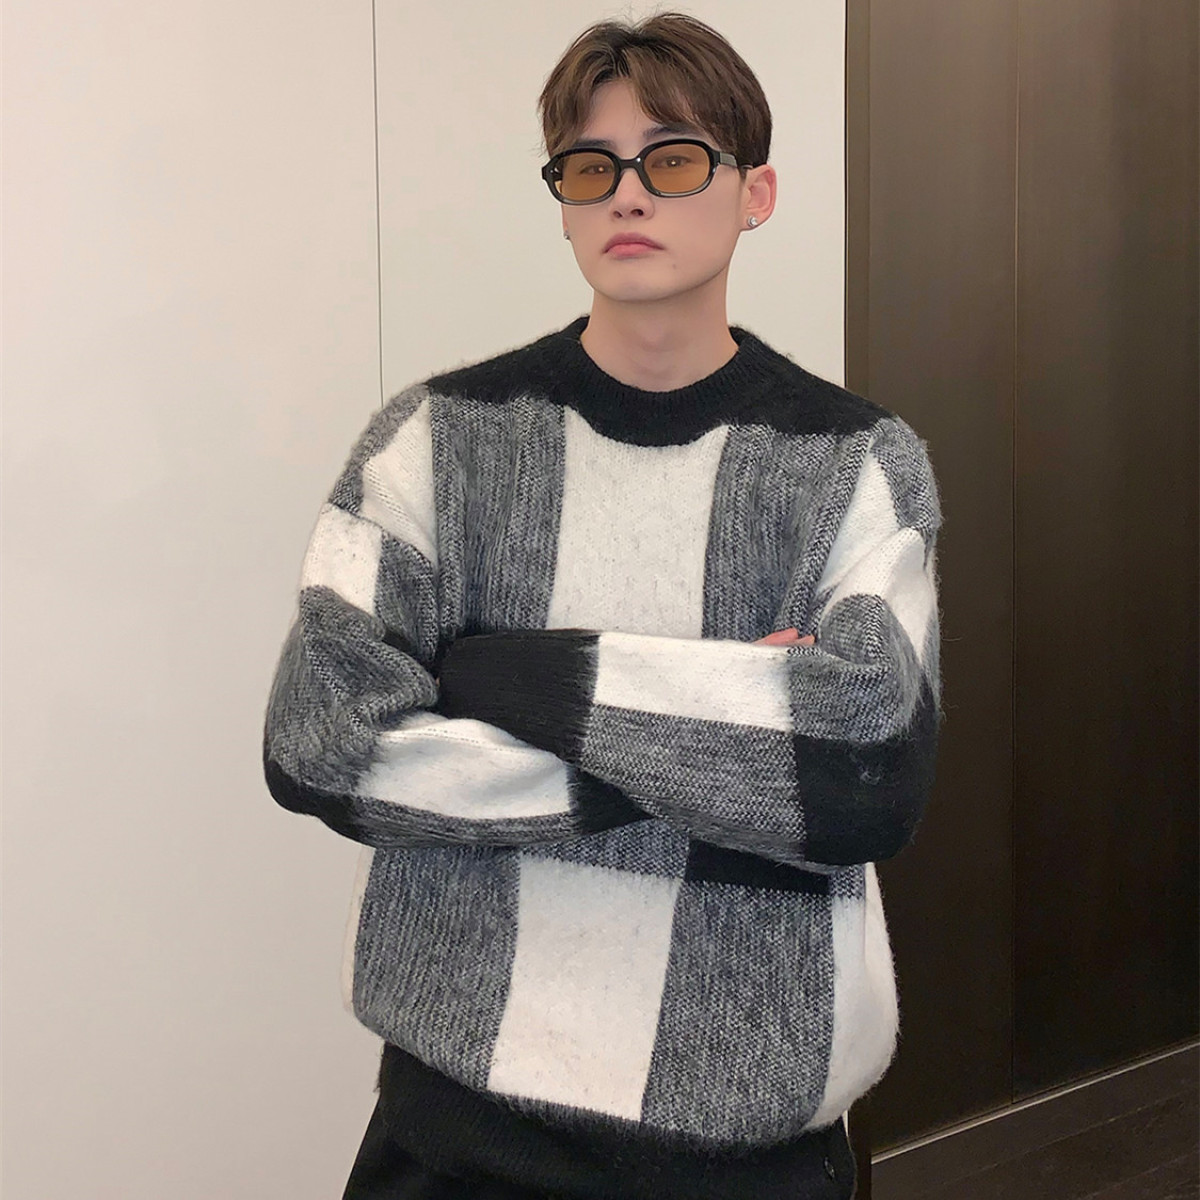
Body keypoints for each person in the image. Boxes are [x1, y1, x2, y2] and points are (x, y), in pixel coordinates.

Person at [263, 12, 942, 1200]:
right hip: (459, 1127)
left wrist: (499, 675)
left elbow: (863, 772)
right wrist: (724, 732)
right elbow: (319, 743)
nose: (628, 193)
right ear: (567, 205)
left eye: (672, 159)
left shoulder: (854, 462)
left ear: (756, 192)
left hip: (748, 1135)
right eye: (590, 167)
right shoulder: (435, 443)